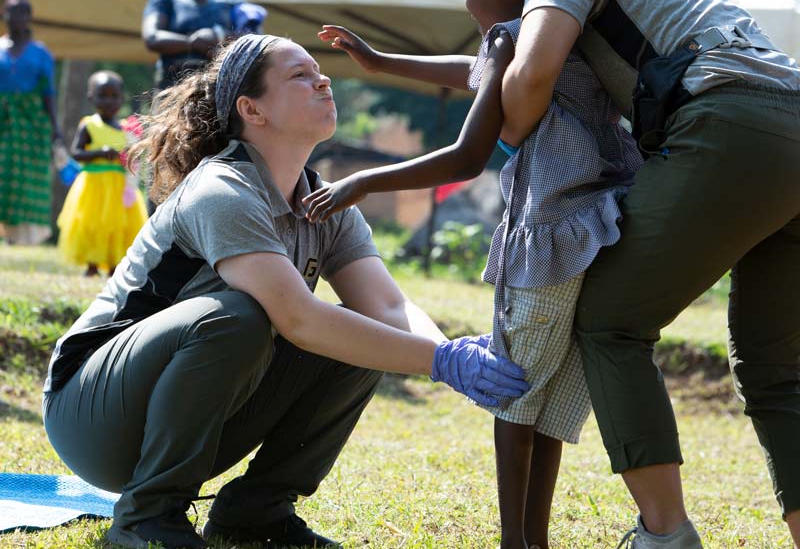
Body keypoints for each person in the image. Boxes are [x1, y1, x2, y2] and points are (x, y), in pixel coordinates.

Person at [41, 34, 529, 549]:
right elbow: (297, 318)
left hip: (188, 417)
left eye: (320, 71)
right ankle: (146, 517)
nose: (324, 80)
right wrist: (441, 361)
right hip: (90, 415)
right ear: (251, 109)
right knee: (238, 316)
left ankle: (256, 513)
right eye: (300, 75)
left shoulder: (326, 203)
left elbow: (387, 306)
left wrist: (450, 354)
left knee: (362, 337)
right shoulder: (221, 189)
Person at [305, 0, 642, 549]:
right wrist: (380, 61)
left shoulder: (509, 37)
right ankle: (534, 541)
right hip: (602, 229)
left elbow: (467, 154)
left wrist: (360, 182)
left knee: (512, 397)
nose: (464, 3)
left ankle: (515, 542)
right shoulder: (568, 27)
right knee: (547, 405)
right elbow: (472, 74)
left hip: (543, 233)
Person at [500, 0, 800, 547]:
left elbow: (528, 83)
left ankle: (664, 533)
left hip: (727, 124)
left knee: (610, 319)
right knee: (777, 370)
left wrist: (499, 131)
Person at [57, 70, 148, 277]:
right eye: (102, 96)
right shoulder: (89, 125)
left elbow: (134, 159)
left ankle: (114, 265)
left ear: (121, 98)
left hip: (118, 187)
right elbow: (76, 152)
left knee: (116, 225)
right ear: (91, 98)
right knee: (91, 223)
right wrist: (100, 152)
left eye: (114, 96)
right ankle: (92, 264)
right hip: (93, 185)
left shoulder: (127, 129)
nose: (109, 101)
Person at [0, 0, 63, 245]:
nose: (15, 17)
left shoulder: (41, 53)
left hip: (31, 121)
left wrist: (55, 128)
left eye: (20, 12)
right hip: (3, 118)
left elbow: (49, 93)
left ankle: (21, 237)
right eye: (10, 11)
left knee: (24, 177)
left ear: (29, 17)